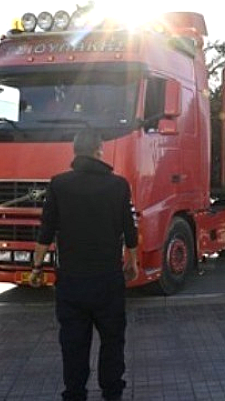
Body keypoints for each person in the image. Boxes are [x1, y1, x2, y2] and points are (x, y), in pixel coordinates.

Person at [31, 130, 139, 401]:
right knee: (112, 341)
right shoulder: (118, 185)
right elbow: (129, 229)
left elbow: (46, 231)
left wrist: (36, 268)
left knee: (73, 344)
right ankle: (112, 392)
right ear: (99, 150)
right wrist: (132, 261)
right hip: (108, 280)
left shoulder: (58, 185)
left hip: (71, 283)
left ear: (75, 152)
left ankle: (75, 393)